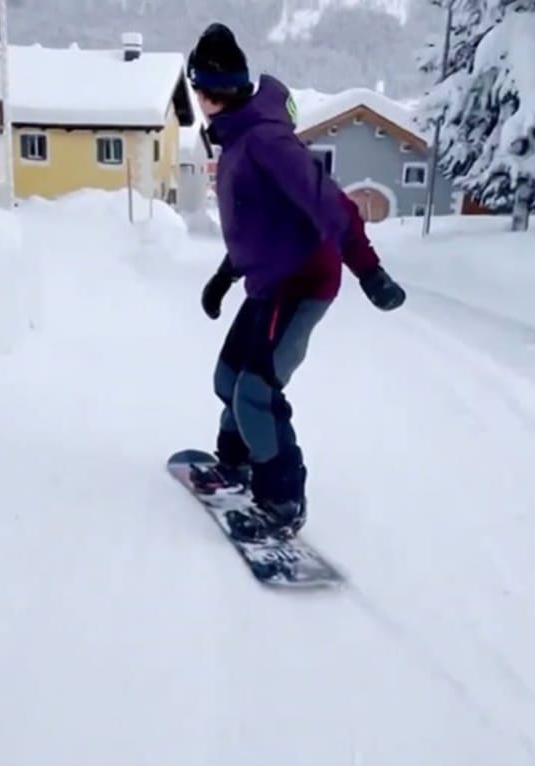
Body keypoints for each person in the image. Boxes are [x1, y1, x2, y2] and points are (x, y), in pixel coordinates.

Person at [185, 22, 406, 539]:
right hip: (267, 279)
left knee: (256, 394)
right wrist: (224, 275)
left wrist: (370, 271)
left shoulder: (264, 140)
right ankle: (235, 464)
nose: (202, 99)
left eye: (204, 90)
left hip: (302, 281)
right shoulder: (238, 135)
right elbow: (259, 224)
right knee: (228, 380)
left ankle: (282, 501)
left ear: (209, 91)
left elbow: (331, 204)